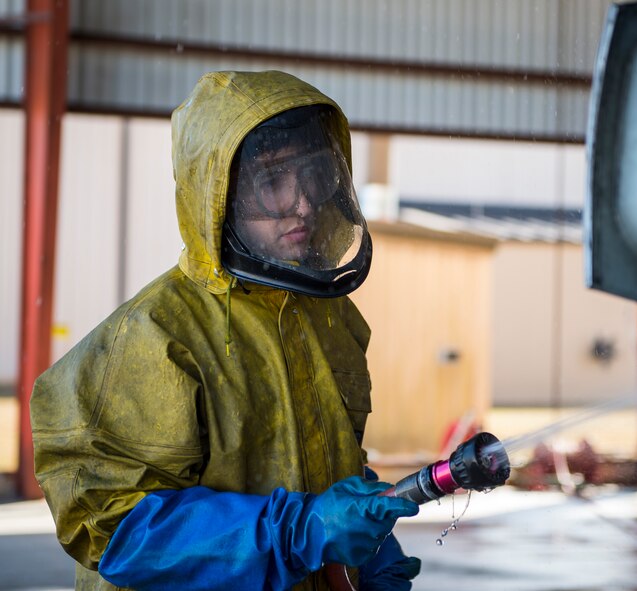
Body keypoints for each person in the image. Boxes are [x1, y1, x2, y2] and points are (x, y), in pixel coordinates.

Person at [30, 70, 421, 591]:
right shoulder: (150, 337)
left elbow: (320, 456)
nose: (303, 203)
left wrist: (367, 536)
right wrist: (296, 532)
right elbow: (116, 529)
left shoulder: (327, 317)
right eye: (273, 182)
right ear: (218, 194)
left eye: (314, 176)